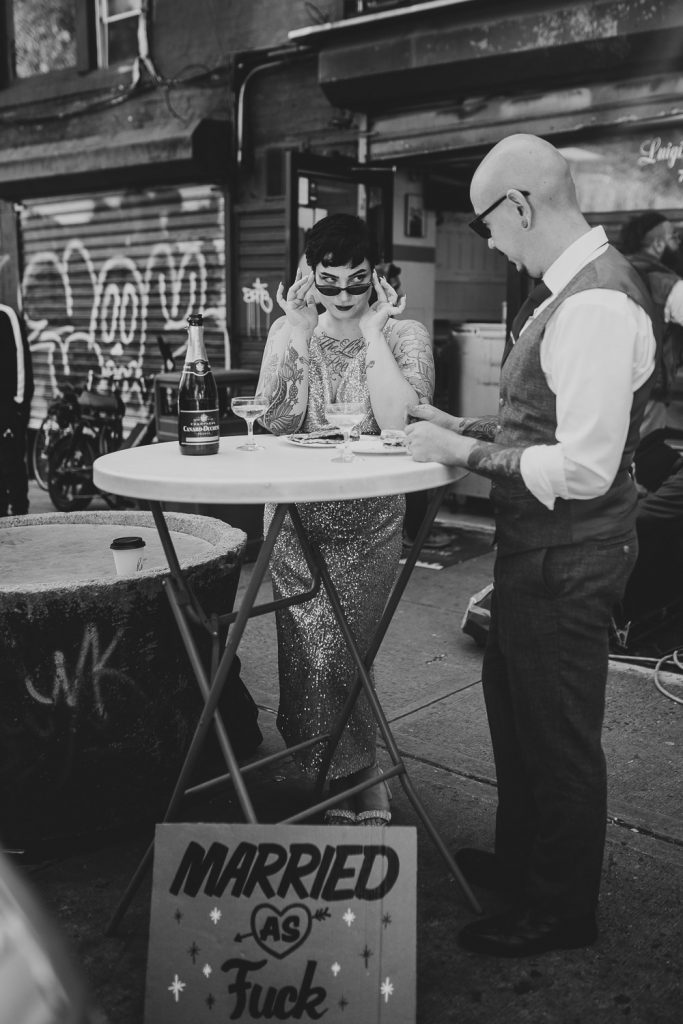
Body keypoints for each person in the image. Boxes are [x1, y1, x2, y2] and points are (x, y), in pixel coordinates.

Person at [405, 134, 656, 956]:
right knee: (517, 718)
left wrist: (460, 451)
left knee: (556, 740)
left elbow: (581, 467)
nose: (489, 243)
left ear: (517, 205)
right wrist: (460, 424)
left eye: (486, 225)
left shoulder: (592, 304)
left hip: (568, 556)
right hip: (541, 553)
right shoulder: (572, 291)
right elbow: (539, 421)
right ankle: (521, 866)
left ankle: (558, 909)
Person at [256, 212, 434, 825]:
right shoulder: (290, 328)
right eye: (327, 282)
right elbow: (278, 420)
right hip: (295, 518)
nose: (342, 294)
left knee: (347, 650)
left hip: (371, 518)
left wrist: (375, 334)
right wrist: (300, 335)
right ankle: (343, 773)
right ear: (309, 276)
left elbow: (400, 423)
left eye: (356, 280)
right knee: (309, 652)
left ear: (375, 275)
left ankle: (358, 775)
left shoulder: (404, 334)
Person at [619, 211, 683, 436]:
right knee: (645, 450)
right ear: (657, 244)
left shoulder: (611, 273)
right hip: (648, 397)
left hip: (604, 389)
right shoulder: (668, 285)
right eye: (674, 237)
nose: (678, 244)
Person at [0, 300, 33, 516]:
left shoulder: (6, 315)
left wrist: (18, 406)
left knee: (12, 465)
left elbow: (20, 362)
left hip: (9, 410)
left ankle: (20, 518)